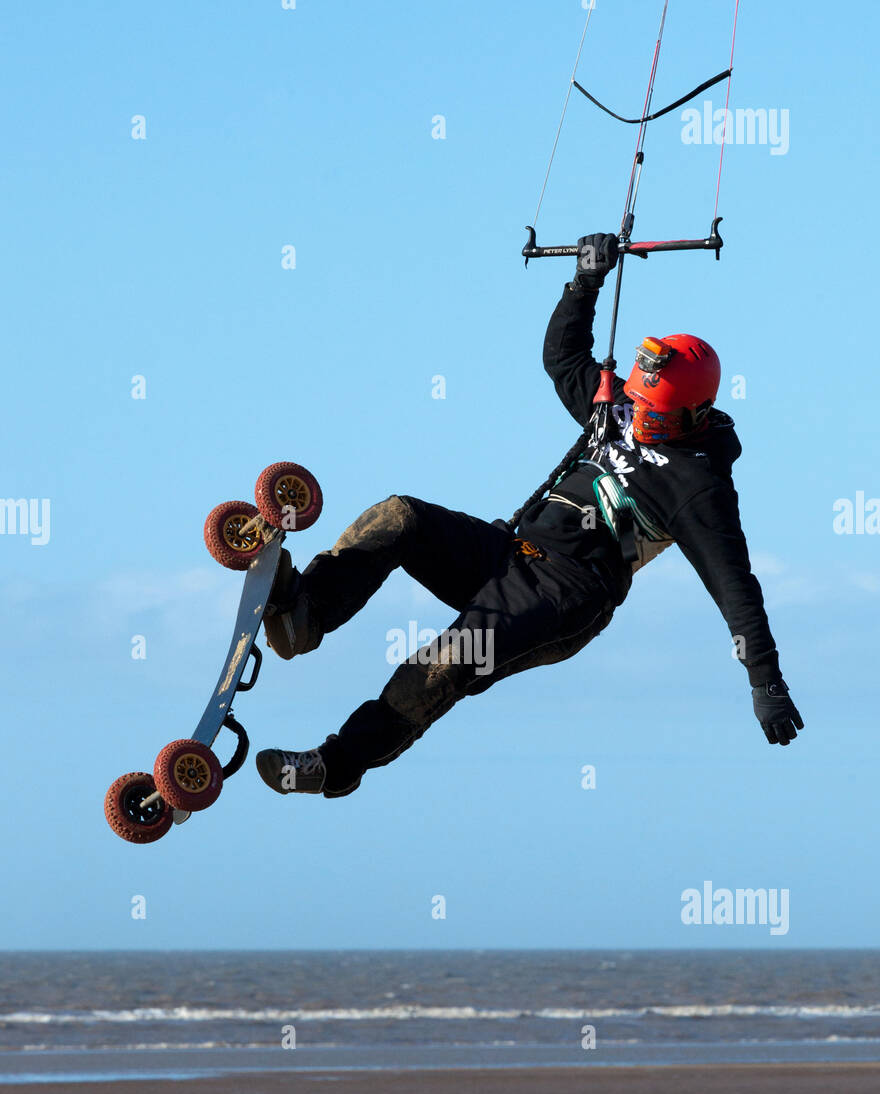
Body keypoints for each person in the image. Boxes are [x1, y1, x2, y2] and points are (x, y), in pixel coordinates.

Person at [256, 232, 803, 798]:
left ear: (695, 413)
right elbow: (562, 358)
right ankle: (306, 614)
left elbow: (736, 588)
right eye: (634, 405)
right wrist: (584, 283)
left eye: (653, 418)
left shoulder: (699, 486)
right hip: (512, 552)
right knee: (401, 517)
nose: (636, 420)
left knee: (449, 660)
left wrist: (766, 681)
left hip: (565, 595)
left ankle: (336, 763)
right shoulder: (622, 405)